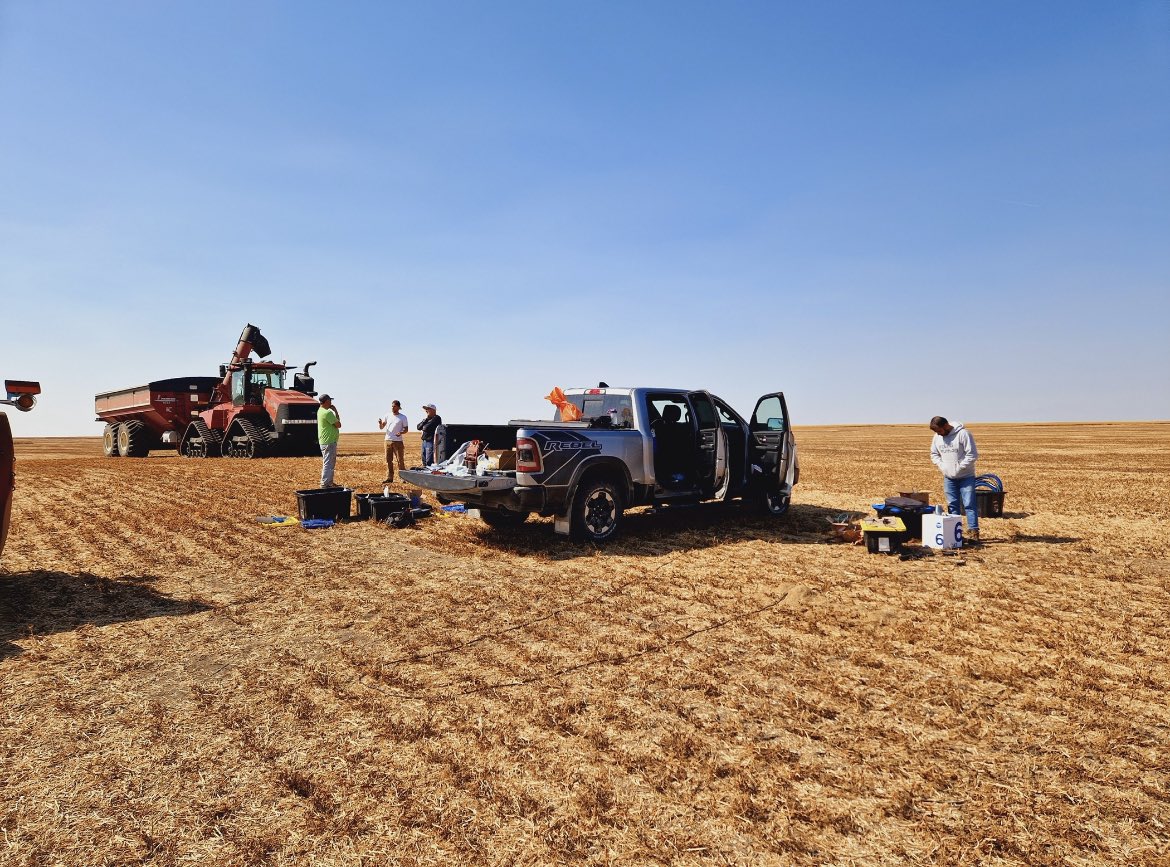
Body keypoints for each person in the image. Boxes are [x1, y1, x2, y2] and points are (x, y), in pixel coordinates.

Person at [929, 416, 979, 542]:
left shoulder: (963, 434)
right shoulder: (937, 437)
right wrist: (942, 466)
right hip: (949, 477)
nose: (938, 434)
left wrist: (960, 467)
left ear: (945, 426)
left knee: (969, 504)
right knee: (952, 505)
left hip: (966, 476)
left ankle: (974, 532)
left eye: (939, 431)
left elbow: (972, 454)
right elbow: (934, 454)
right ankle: (956, 534)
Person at [378, 399, 408, 484]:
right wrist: (380, 423)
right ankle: (390, 477)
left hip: (398, 441)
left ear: (398, 407)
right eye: (392, 406)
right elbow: (381, 427)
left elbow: (406, 429)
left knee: (400, 460)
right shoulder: (387, 415)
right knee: (388, 460)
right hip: (387, 440)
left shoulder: (403, 417)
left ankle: (403, 477)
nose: (392, 407)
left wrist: (401, 432)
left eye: (394, 406)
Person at [317, 394, 341, 488]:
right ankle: (325, 483)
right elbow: (338, 424)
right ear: (326, 401)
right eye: (330, 400)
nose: (331, 402)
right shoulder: (327, 413)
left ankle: (329, 482)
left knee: (329, 462)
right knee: (328, 463)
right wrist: (335, 411)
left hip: (325, 441)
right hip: (329, 441)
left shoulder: (320, 411)